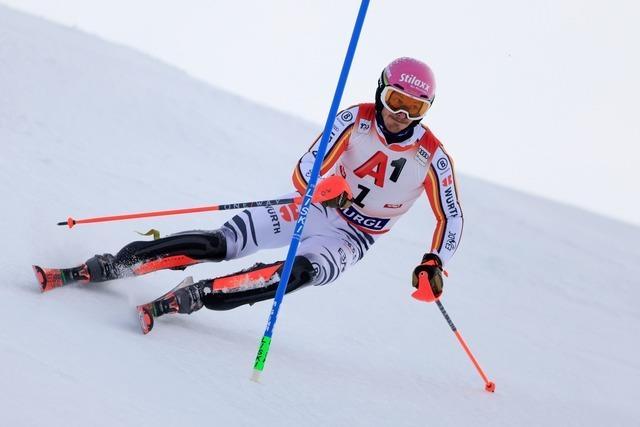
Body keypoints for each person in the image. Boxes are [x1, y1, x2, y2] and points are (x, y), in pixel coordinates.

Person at [33, 57, 463, 334]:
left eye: (414, 109)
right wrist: (322, 186)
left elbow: (451, 217)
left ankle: (200, 295)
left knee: (294, 274)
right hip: (315, 205)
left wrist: (433, 261)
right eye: (394, 100)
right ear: (380, 91)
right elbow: (304, 169)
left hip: (351, 238)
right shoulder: (357, 119)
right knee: (221, 243)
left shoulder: (432, 157)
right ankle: (115, 264)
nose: (399, 116)